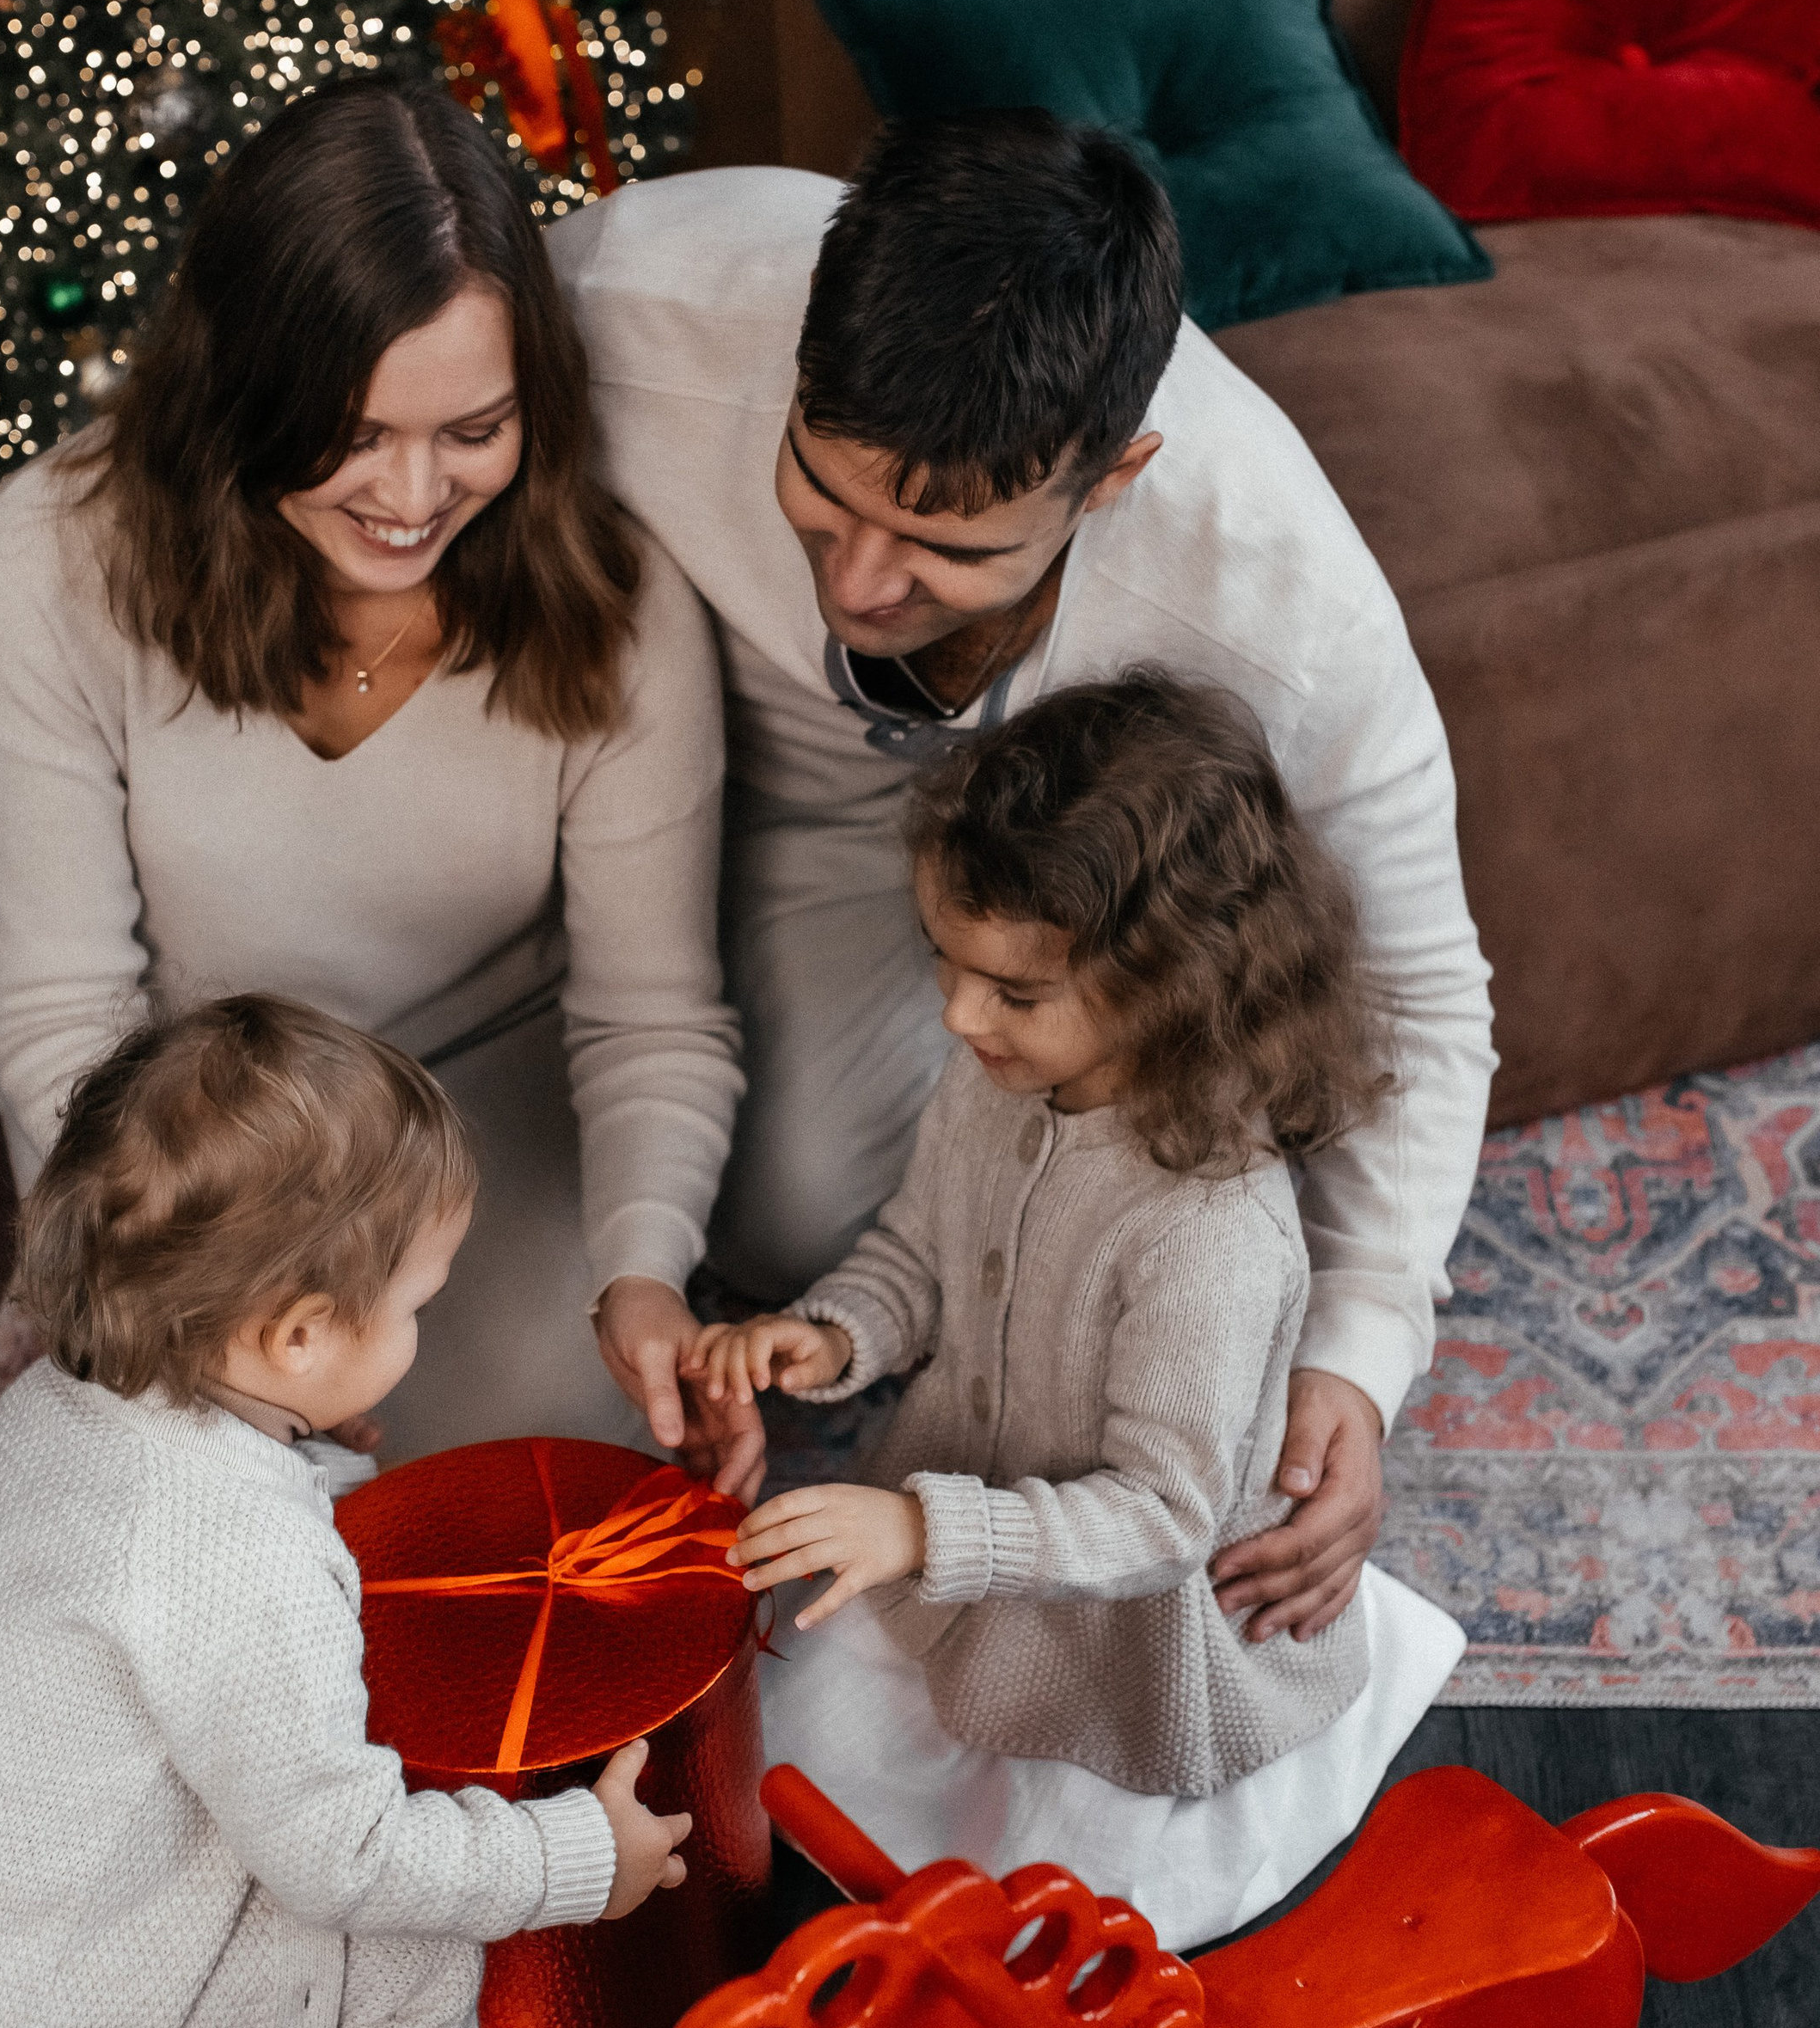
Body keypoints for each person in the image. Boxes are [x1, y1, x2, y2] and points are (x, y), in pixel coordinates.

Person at [548, 111, 1496, 1633]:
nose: (858, 587)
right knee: (779, 1214)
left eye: (941, 546)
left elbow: (1427, 986)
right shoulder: (624, 293)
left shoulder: (1283, 600)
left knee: (838, 1209)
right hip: (750, 801)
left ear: (1114, 475)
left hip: (1061, 890)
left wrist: (1358, 1350)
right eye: (825, 491)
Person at [0, 997, 693, 2028]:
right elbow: (349, 1863)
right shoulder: (234, 1556)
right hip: (27, 2002)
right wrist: (570, 1856)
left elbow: (160, 1562)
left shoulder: (62, 1395)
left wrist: (308, 1460)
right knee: (412, 1935)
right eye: (417, 1306)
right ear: (292, 1338)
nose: (424, 1331)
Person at [0, 74, 754, 1479]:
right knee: (196, 1486)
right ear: (239, 389)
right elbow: (57, 1016)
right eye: (351, 434)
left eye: (473, 431)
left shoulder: (622, 602)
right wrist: (212, 1293)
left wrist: (643, 1276)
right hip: (179, 1143)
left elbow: (650, 1021)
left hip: (477, 1117)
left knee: (556, 1456)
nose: (410, 496)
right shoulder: (43, 555)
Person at [690, 679, 1465, 1950]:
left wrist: (915, 1526)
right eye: (944, 959)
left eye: (1010, 990)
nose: (955, 1014)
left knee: (1033, 1918)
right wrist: (837, 1333)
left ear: (1169, 984)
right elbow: (921, 1251)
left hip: (1122, 1630)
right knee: (799, 1749)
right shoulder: (996, 1080)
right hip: (982, 1538)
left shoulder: (1206, 1225)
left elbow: (1162, 1516)